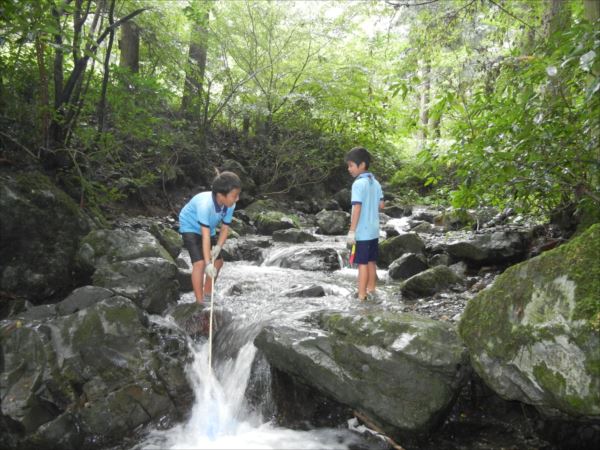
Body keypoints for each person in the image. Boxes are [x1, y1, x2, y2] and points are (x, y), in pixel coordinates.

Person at [179, 171, 241, 304]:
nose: (237, 199)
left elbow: (225, 228)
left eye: (238, 195)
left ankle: (207, 293)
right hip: (190, 225)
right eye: (234, 196)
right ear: (220, 195)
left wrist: (218, 246)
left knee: (218, 262)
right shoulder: (205, 205)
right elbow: (205, 236)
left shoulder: (230, 204)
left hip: (209, 227)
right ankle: (199, 302)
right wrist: (207, 264)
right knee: (200, 263)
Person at [345, 147, 384, 301]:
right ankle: (372, 289)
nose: (349, 169)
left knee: (361, 263)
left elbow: (357, 208)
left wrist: (352, 231)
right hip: (374, 230)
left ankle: (361, 295)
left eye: (351, 165)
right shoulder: (376, 183)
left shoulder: (358, 184)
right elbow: (381, 206)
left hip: (362, 231)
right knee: (371, 261)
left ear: (361, 165)